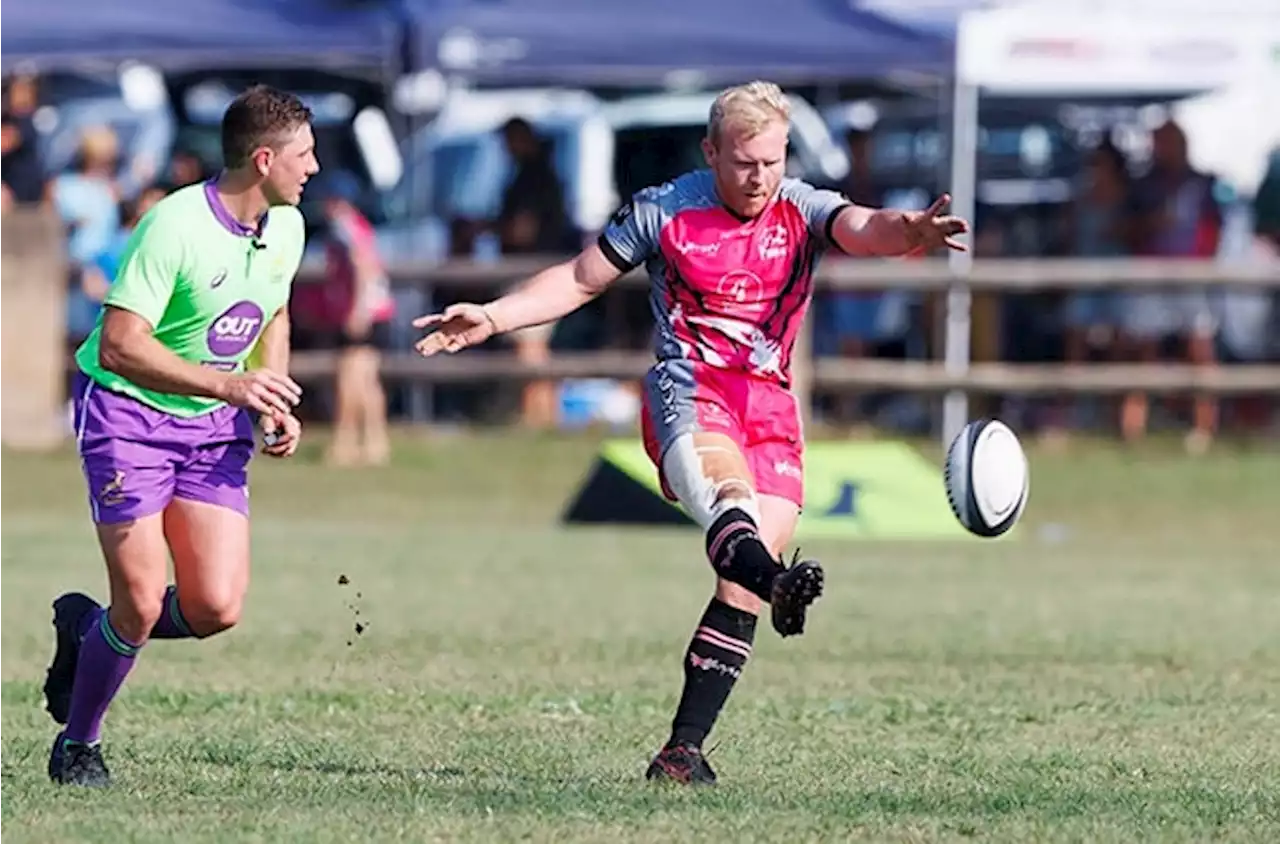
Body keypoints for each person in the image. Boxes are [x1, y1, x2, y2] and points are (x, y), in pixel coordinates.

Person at [412, 81, 967, 785]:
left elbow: (863, 225)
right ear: (712, 152)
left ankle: (682, 752)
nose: (759, 176)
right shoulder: (664, 209)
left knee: (741, 581)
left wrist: (909, 233)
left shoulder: (800, 206)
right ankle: (781, 583)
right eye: (742, 162)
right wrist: (493, 316)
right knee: (732, 511)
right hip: (691, 395)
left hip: (771, 410)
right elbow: (579, 280)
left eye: (771, 160)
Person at [43, 85, 319, 788]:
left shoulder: (286, 225)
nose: (313, 168)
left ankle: (89, 634)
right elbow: (118, 345)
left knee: (215, 607)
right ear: (263, 159)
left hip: (211, 429)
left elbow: (273, 313)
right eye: (304, 155)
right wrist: (230, 384)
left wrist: (272, 396)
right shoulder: (173, 226)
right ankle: (80, 744)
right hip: (129, 416)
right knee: (139, 601)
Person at [315, 171, 393, 466]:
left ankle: (344, 442)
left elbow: (363, 267)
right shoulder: (359, 225)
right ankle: (375, 442)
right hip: (376, 311)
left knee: (350, 378)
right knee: (367, 380)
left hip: (364, 312)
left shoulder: (344, 227)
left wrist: (358, 309)